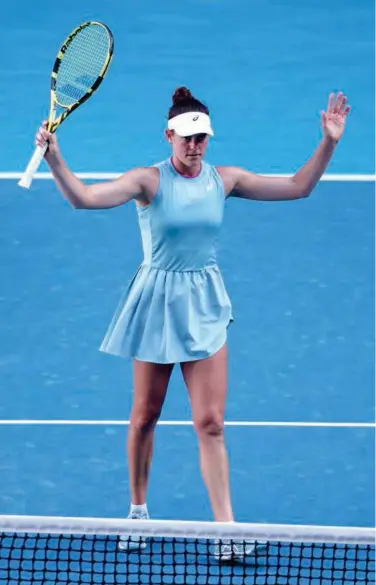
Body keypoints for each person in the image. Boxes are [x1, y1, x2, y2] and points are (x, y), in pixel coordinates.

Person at [35, 87, 350, 558]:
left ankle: (228, 531)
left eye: (201, 138)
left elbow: (298, 187)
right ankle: (138, 513)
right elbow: (85, 199)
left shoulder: (226, 179)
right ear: (168, 136)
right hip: (157, 303)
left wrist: (329, 141)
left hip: (204, 303)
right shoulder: (147, 181)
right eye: (186, 137)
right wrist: (55, 159)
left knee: (211, 423)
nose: (194, 146)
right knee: (145, 417)